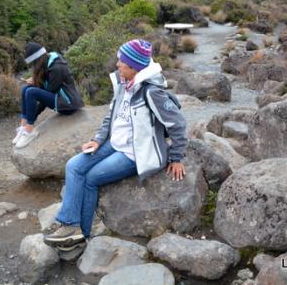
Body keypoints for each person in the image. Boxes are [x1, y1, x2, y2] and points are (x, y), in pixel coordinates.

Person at [42, 39, 187, 248]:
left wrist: (176, 157)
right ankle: (70, 227)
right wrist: (97, 140)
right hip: (115, 143)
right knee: (73, 165)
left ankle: (81, 232)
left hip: (134, 153)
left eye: (122, 63)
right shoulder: (123, 85)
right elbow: (111, 118)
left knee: (91, 178)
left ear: (135, 68)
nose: (118, 65)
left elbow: (178, 125)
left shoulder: (152, 92)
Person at [13, 42, 84, 148]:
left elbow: (48, 94)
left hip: (68, 104)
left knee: (31, 92)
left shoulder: (56, 68)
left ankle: (29, 131)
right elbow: (46, 88)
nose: (33, 67)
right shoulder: (47, 63)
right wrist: (36, 82)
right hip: (58, 100)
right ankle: (23, 127)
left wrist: (32, 117)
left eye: (33, 63)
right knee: (26, 89)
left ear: (38, 60)